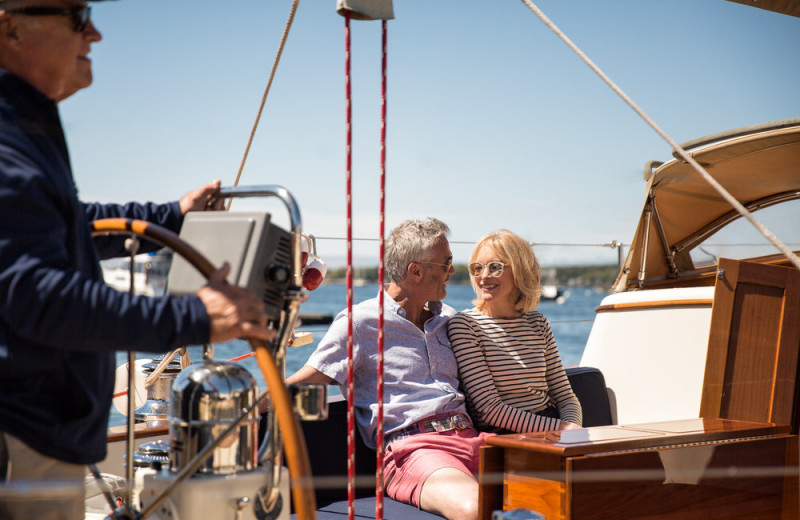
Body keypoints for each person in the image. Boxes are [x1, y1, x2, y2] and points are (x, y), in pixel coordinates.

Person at [0, 2, 275, 519]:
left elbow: (69, 221)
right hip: (21, 435)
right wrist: (194, 317)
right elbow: (39, 298)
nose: (96, 34)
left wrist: (171, 216)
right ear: (10, 27)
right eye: (77, 18)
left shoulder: (23, 126)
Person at [280, 218, 491, 520]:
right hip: (413, 451)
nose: (452, 272)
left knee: (561, 489)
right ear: (415, 271)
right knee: (476, 509)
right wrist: (243, 407)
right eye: (446, 264)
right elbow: (305, 380)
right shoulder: (361, 323)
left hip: (474, 438)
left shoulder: (450, 321)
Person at [447, 229, 582, 433]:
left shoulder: (538, 323)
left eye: (495, 267)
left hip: (552, 426)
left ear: (520, 270)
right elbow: (489, 410)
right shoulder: (465, 325)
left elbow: (566, 397)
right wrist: (562, 429)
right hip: (503, 434)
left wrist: (574, 429)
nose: (484, 276)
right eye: (477, 268)